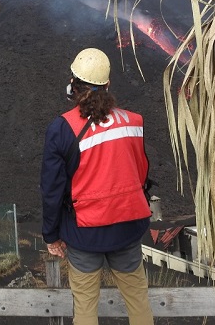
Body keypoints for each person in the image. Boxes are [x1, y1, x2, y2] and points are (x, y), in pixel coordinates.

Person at [40, 48, 154, 325]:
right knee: (138, 301)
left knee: (86, 308)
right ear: (108, 85)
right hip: (127, 227)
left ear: (73, 85)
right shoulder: (133, 121)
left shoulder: (62, 128)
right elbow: (141, 174)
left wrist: (51, 235)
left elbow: (52, 189)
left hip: (84, 233)